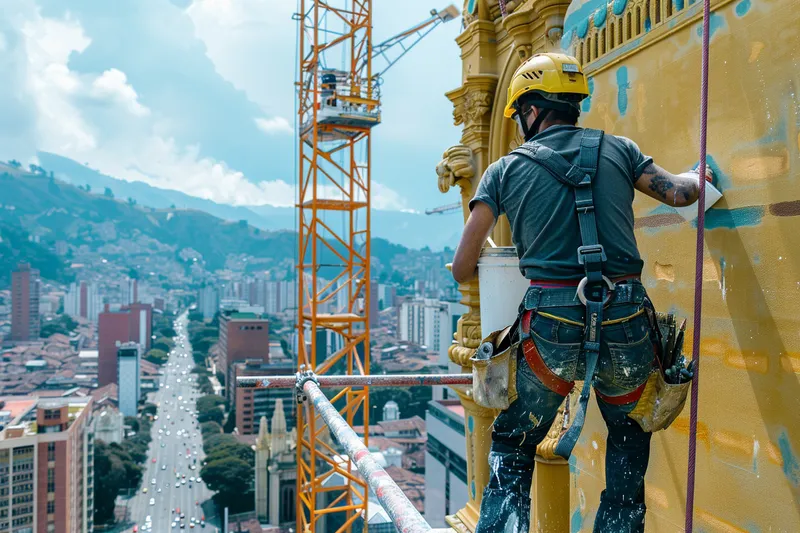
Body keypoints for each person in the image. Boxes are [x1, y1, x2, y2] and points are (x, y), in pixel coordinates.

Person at [451, 53, 712, 533]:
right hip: (627, 322)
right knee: (629, 442)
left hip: (549, 330)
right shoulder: (621, 150)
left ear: (530, 110)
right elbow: (680, 193)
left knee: (513, 443)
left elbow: (462, 268)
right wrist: (702, 176)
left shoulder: (505, 171)